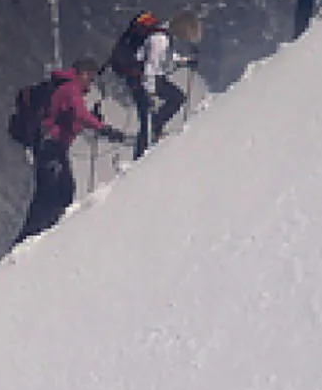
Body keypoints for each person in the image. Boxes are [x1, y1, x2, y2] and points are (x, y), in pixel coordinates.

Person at [15, 58, 127, 244]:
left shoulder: (67, 88)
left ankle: (38, 234)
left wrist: (94, 124)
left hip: (51, 146)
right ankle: (30, 238)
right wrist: (103, 128)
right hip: (51, 145)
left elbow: (72, 118)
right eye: (90, 78)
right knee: (53, 192)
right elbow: (80, 114)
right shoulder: (71, 89)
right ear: (83, 73)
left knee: (56, 191)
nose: (90, 84)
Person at [129, 13, 200, 158]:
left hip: (151, 79)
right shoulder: (160, 39)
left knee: (176, 98)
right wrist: (149, 94)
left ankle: (155, 128)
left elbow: (166, 59)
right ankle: (141, 153)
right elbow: (151, 66)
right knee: (147, 119)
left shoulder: (165, 36)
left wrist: (185, 61)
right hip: (143, 80)